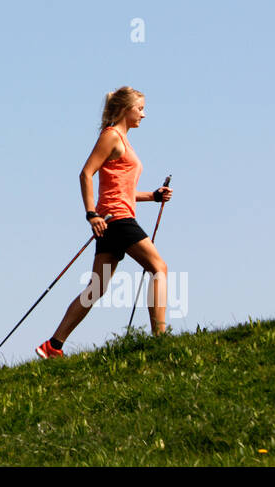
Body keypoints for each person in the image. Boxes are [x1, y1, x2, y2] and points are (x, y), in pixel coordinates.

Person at [36, 86, 173, 358]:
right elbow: (86, 174)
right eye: (140, 109)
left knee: (96, 288)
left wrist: (153, 196)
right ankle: (160, 337)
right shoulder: (111, 136)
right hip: (116, 219)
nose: (143, 115)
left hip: (112, 218)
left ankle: (53, 345)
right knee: (159, 268)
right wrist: (91, 214)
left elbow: (120, 190)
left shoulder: (122, 139)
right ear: (125, 109)